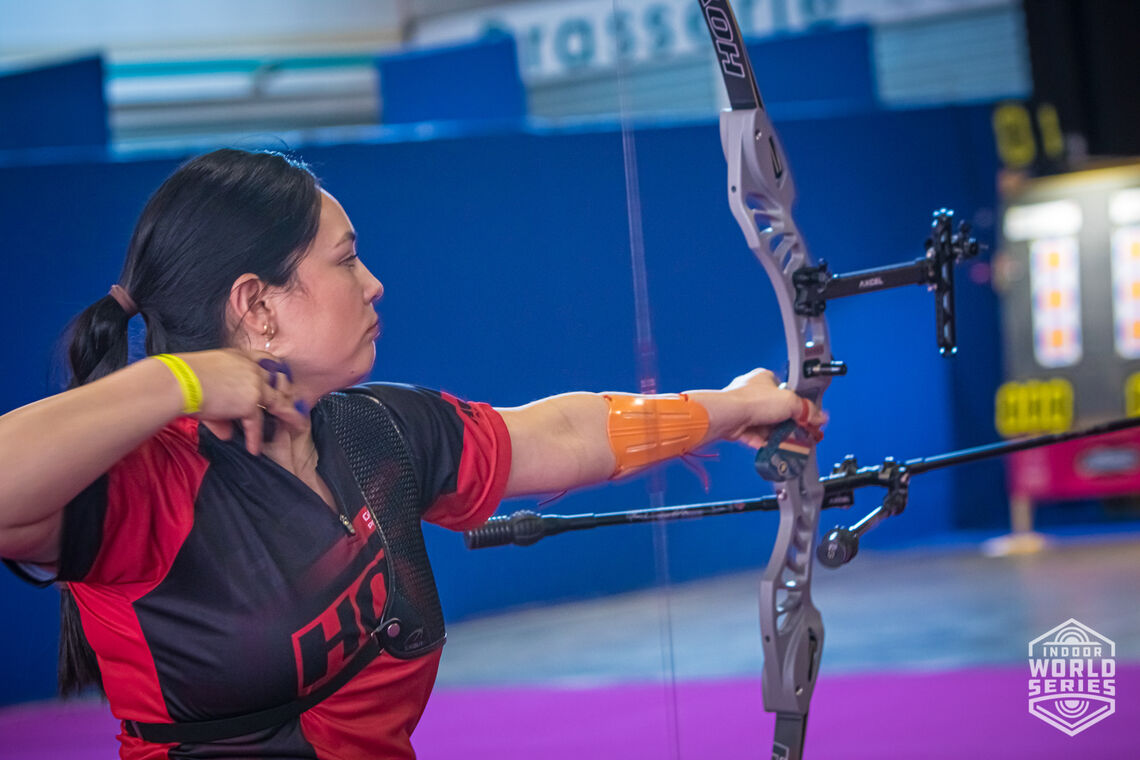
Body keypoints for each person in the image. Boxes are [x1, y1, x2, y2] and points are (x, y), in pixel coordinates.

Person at [0, 149, 825, 759]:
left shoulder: (375, 434)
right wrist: (177, 383)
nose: (375, 283)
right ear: (255, 307)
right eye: (346, 257)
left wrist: (736, 405)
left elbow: (564, 434)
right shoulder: (155, 481)